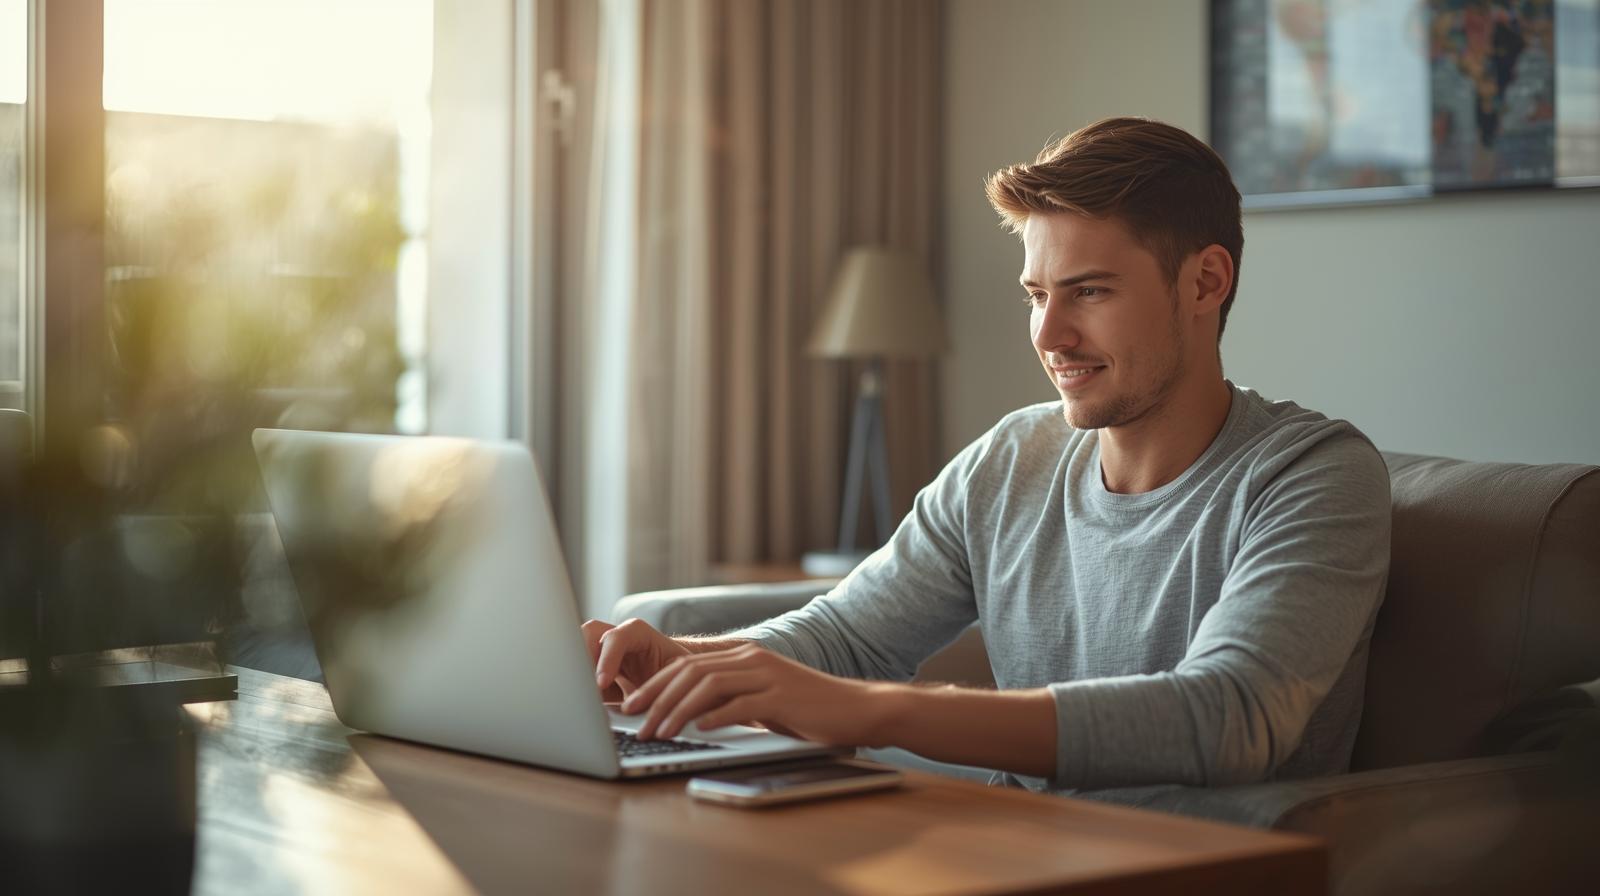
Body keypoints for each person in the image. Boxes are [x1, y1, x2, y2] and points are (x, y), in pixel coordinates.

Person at [581, 117, 1391, 797]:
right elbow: (848, 637)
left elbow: (1229, 715)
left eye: (1091, 291)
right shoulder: (1013, 458)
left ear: (1206, 281)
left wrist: (872, 710)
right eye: (1038, 295)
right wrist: (683, 662)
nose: (1049, 335)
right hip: (1019, 857)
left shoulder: (1313, 474)